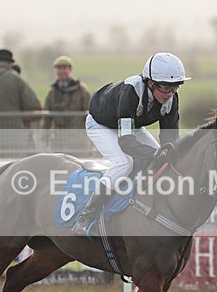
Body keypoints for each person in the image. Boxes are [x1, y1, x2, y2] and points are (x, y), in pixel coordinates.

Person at [70, 52, 189, 237]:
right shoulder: (131, 91)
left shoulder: (171, 98)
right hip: (100, 124)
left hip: (131, 125)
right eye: (165, 87)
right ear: (150, 83)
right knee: (124, 163)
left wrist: (168, 152)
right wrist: (155, 154)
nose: (170, 93)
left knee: (162, 157)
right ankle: (85, 218)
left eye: (175, 87)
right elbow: (126, 142)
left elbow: (170, 139)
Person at [42, 55, 91, 149]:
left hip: (78, 142)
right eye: (59, 68)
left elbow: (89, 114)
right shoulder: (52, 93)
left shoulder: (81, 91)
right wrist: (45, 138)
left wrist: (91, 137)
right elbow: (47, 118)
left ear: (70, 69)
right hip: (58, 141)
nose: (62, 71)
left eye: (64, 68)